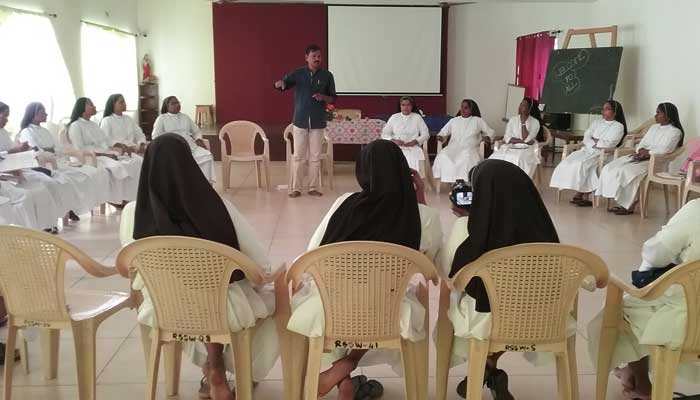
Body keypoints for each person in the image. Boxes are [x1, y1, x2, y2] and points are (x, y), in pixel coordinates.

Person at [119, 133, 278, 400]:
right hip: (221, 307)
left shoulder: (133, 212)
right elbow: (260, 265)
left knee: (186, 296)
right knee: (273, 301)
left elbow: (133, 265)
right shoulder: (219, 207)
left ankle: (210, 367)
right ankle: (233, 370)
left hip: (163, 307)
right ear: (189, 165)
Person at [287, 140, 442, 399]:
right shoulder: (422, 216)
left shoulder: (344, 204)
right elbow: (433, 267)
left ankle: (344, 377)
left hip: (332, 307)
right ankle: (348, 366)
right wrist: (421, 202)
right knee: (380, 298)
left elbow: (311, 255)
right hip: (388, 309)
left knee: (335, 293)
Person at [446, 159, 562, 399]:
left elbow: (454, 278)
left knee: (464, 307)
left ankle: (482, 364)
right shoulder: (545, 232)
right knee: (516, 310)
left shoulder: (467, 231)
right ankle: (490, 365)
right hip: (544, 320)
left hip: (490, 320)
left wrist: (466, 220)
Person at [587, 198, 700, 400]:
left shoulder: (696, 210)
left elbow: (656, 253)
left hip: (689, 323)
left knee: (626, 305)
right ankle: (635, 376)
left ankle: (640, 381)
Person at [596, 102, 684, 215]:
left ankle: (629, 205)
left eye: (658, 113)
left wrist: (648, 153)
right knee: (610, 167)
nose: (655, 115)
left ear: (668, 115)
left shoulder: (675, 132)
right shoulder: (653, 128)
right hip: (640, 157)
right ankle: (616, 200)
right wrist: (640, 150)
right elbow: (643, 143)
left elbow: (665, 149)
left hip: (655, 162)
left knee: (627, 171)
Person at [274, 44, 337, 198]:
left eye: (319, 56)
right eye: (314, 56)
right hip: (300, 121)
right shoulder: (298, 73)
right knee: (299, 156)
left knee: (315, 157)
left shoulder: (327, 76)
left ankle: (313, 187)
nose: (317, 59)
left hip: (318, 122)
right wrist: (279, 84)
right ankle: (296, 188)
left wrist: (324, 97)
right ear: (306, 58)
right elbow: (284, 84)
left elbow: (333, 98)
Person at [550, 100, 627, 206]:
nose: (604, 111)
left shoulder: (618, 126)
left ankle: (582, 194)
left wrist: (595, 141)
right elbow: (586, 136)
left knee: (582, 165)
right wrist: (594, 142)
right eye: (603, 109)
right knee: (568, 162)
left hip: (603, 154)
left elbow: (610, 143)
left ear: (615, 112)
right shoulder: (596, 122)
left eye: (607, 109)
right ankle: (581, 193)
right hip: (587, 150)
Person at [0, 101, 63, 232]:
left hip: (16, 170)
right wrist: (15, 151)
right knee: (26, 196)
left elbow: (14, 153)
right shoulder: (26, 131)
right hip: (5, 177)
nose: (6, 120)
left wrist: (21, 150)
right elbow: (7, 154)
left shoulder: (4, 133)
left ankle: (46, 225)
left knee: (42, 189)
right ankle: (28, 233)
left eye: (7, 116)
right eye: (4, 116)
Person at [67, 97, 141, 204]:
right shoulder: (75, 126)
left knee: (134, 161)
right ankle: (116, 199)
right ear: (82, 108)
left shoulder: (93, 125)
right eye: (91, 104)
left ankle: (132, 197)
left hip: (103, 153)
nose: (94, 106)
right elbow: (79, 149)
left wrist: (121, 147)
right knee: (118, 166)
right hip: (89, 157)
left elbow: (107, 142)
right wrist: (105, 154)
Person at [152, 96, 215, 181]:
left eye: (178, 102)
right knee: (181, 161)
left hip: (190, 145)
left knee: (207, 156)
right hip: (172, 147)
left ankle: (204, 183)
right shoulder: (161, 119)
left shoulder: (185, 117)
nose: (177, 105)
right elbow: (155, 136)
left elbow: (196, 131)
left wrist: (199, 139)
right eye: (173, 103)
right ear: (167, 106)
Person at [432, 99, 494, 184]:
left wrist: (487, 137)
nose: (463, 110)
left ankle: (466, 182)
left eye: (466, 108)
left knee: (466, 157)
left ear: (471, 109)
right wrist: (440, 137)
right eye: (461, 107)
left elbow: (491, 132)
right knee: (443, 155)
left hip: (470, 148)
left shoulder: (477, 120)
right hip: (453, 147)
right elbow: (442, 133)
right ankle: (451, 180)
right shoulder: (454, 120)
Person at [488, 97, 543, 178]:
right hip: (510, 147)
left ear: (529, 109)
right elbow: (507, 137)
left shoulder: (535, 122)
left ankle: (515, 182)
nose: (520, 107)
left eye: (524, 105)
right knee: (496, 156)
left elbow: (527, 139)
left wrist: (523, 123)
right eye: (521, 104)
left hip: (527, 149)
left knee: (518, 159)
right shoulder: (513, 120)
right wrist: (520, 141)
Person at [381, 96, 430, 173]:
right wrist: (393, 140)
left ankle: (412, 179)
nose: (405, 107)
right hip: (396, 146)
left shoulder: (417, 117)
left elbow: (426, 134)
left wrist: (415, 141)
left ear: (412, 106)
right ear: (400, 106)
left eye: (408, 105)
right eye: (403, 105)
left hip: (413, 146)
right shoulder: (394, 117)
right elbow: (384, 133)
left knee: (412, 157)